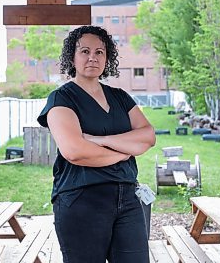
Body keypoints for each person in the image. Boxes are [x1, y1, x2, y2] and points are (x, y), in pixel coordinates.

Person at [37, 25, 156, 263]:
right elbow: (75, 151)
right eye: (85, 51)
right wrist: (124, 152)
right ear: (72, 57)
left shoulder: (120, 97)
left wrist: (101, 141)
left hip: (128, 197)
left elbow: (148, 136)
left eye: (100, 52)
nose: (93, 57)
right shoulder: (62, 98)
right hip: (81, 199)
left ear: (107, 58)